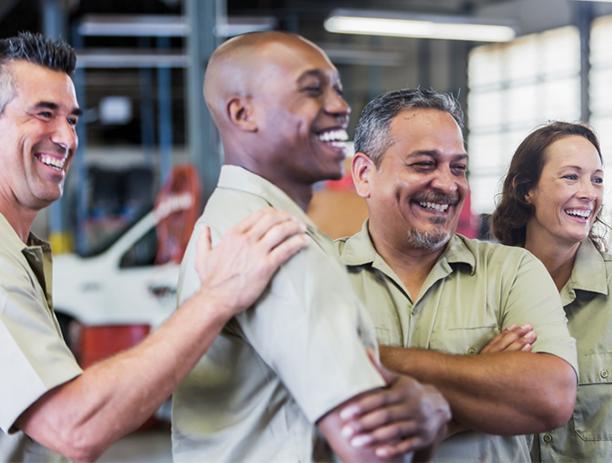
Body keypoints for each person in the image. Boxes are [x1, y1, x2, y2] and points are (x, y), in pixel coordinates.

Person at [0, 32, 311, 462]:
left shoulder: (6, 243)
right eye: (44, 114)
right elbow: (73, 426)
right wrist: (217, 297)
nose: (67, 139)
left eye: (71, 119)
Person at [173, 32, 452, 463]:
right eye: (312, 89)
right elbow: (375, 449)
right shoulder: (273, 242)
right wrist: (434, 411)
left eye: (337, 89)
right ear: (243, 113)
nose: (340, 106)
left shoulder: (227, 219)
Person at [335, 88, 580, 461]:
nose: (448, 185)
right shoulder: (318, 271)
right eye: (424, 164)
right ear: (365, 174)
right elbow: (287, 407)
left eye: (458, 168)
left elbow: (550, 398)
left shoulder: (512, 271)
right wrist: (484, 377)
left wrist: (367, 358)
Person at [491, 121, 612, 462]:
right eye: (571, 176)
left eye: (597, 179)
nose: (589, 193)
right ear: (526, 189)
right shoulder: (487, 293)